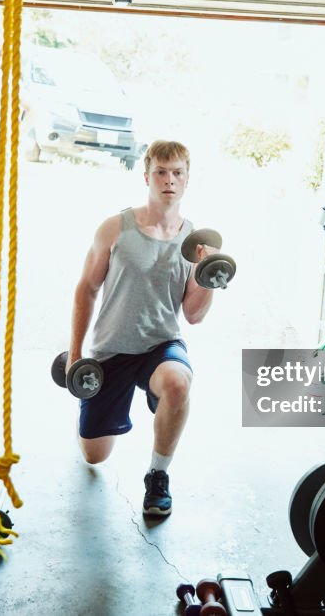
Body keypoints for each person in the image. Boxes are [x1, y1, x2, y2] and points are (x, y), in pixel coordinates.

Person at [67, 140, 217, 517]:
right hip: (111, 350)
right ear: (146, 176)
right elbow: (86, 289)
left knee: (178, 382)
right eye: (162, 172)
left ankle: (158, 476)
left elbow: (194, 315)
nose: (170, 180)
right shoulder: (116, 227)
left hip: (160, 346)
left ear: (187, 179)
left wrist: (208, 276)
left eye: (178, 173)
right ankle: (99, 413)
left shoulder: (196, 243)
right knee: (94, 457)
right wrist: (74, 355)